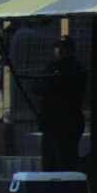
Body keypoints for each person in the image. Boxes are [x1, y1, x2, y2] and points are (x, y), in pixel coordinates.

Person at [28, 36, 86, 171]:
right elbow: (37, 87)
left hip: (68, 123)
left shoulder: (75, 68)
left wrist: (50, 84)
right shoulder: (52, 66)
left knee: (66, 162)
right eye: (57, 48)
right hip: (51, 123)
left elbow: (53, 87)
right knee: (49, 162)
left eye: (62, 48)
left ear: (69, 50)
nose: (58, 51)